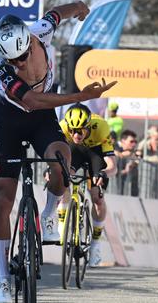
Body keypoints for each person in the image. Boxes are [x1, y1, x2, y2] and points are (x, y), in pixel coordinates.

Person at [0, 4, 115, 303]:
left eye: (21, 57)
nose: (17, 63)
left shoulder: (39, 31)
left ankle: (47, 215)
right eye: (12, 60)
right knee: (4, 199)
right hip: (13, 120)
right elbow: (32, 99)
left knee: (60, 161)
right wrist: (81, 96)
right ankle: (3, 279)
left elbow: (59, 12)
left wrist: (81, 9)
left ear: (29, 43)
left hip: (42, 121)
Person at [58, 104, 116, 267]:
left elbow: (112, 165)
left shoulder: (101, 127)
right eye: (72, 130)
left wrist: (104, 173)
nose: (76, 134)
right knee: (63, 176)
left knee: (97, 197)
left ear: (88, 126)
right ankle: (62, 223)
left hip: (95, 152)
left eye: (80, 130)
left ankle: (96, 244)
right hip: (74, 152)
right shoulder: (62, 127)